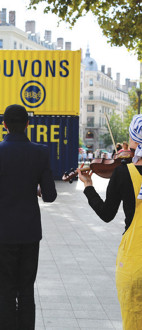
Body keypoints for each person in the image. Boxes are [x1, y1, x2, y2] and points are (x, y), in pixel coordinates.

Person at [0, 104, 57, 330]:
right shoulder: (41, 152)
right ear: (28, 124)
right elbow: (50, 195)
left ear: (4, 125)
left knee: (6, 289)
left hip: (3, 231)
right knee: (26, 289)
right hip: (30, 231)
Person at [77, 114, 142, 329]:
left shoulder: (123, 173)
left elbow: (106, 214)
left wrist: (88, 186)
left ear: (134, 139)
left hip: (134, 263)